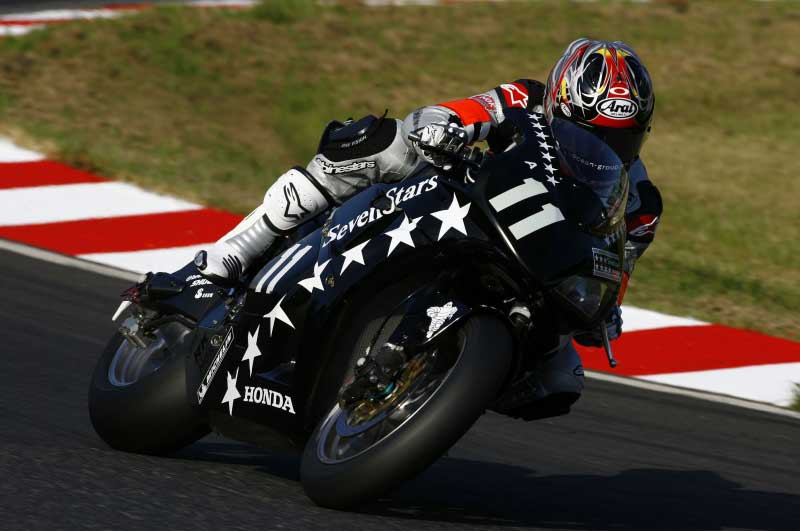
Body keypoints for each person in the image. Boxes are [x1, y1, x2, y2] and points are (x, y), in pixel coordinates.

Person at [193, 38, 663, 417]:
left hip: (533, 263)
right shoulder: (524, 99)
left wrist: (606, 310)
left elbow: (616, 267)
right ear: (560, 103)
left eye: (620, 137)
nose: (601, 147)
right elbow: (447, 113)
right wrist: (444, 128)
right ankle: (235, 251)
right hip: (467, 206)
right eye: (589, 131)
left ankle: (435, 387)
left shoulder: (641, 201)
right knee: (388, 142)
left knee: (560, 379)